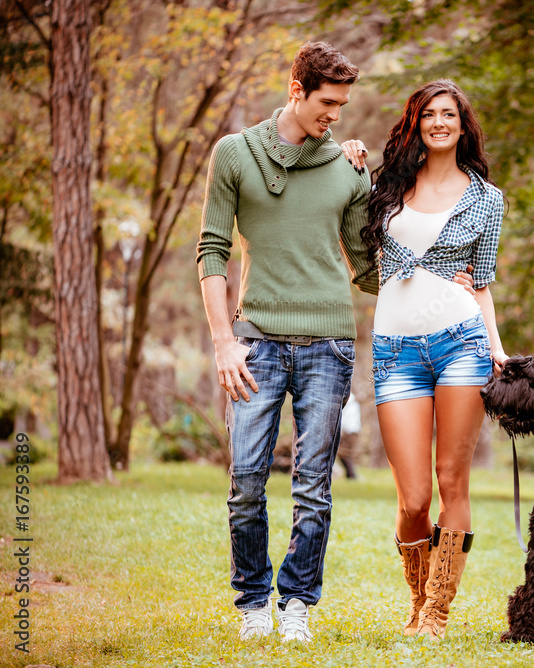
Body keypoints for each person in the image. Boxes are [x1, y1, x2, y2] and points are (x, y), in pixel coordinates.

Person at [196, 42, 387, 644]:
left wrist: (440, 278)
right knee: (247, 479)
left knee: (314, 485)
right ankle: (254, 601)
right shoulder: (233, 155)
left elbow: (367, 264)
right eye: (327, 102)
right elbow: (211, 252)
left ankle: (297, 602)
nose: (336, 114)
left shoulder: (349, 167)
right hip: (254, 340)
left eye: (343, 104)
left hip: (329, 342)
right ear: (296, 89)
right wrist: (224, 342)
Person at [353, 79, 508, 640]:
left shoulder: (487, 199)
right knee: (413, 497)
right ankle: (416, 601)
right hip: (395, 350)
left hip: (460, 344)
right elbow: (352, 239)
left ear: (463, 125)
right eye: (429, 115)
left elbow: (483, 281)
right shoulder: (386, 188)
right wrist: (348, 160)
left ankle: (435, 614)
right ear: (415, 124)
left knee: (451, 483)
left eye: (449, 114)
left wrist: (494, 345)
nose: (439, 122)